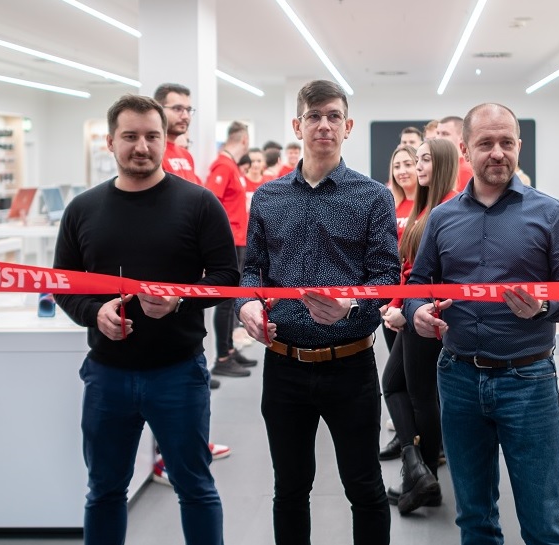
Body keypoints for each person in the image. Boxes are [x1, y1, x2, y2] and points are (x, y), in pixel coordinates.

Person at [54, 94, 239, 545]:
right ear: (110, 142)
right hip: (107, 375)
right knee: (104, 491)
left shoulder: (198, 204)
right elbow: (64, 283)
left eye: (152, 136)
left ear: (165, 139)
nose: (142, 146)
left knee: (194, 487)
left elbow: (226, 278)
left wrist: (180, 301)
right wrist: (94, 312)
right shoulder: (82, 209)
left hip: (178, 372)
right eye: (131, 136)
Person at [404, 103, 559, 545]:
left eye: (507, 142)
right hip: (459, 377)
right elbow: (418, 282)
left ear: (519, 146)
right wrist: (417, 312)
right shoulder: (444, 218)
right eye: (485, 143)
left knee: (544, 523)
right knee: (475, 520)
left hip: (528, 380)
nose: (497, 152)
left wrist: (543, 308)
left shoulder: (551, 213)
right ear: (466, 149)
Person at [237, 80, 399, 545]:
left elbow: (387, 277)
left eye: (333, 116)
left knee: (364, 487)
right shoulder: (268, 198)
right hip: (285, 364)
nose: (323, 124)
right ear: (298, 125)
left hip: (350, 365)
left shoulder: (372, 197)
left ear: (347, 127)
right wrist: (247, 301)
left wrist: (352, 302)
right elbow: (254, 270)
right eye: (314, 116)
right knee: (289, 489)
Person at [378, 138, 459, 515]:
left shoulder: (447, 208)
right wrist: (397, 306)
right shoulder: (425, 207)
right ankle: (420, 473)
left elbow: (427, 274)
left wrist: (402, 309)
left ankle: (422, 475)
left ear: (441, 164)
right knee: (408, 389)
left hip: (429, 316)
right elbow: (410, 269)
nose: (417, 165)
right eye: (416, 159)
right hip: (413, 311)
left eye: (425, 160)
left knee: (412, 390)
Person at [205, 121, 255, 378]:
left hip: (240, 239)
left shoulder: (232, 167)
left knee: (233, 297)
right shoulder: (223, 166)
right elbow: (209, 201)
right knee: (225, 301)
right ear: (244, 141)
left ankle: (230, 349)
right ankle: (222, 356)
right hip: (230, 241)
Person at [380, 145, 417, 353]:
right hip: (389, 300)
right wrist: (387, 301)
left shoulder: (427, 206)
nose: (401, 171)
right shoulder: (390, 205)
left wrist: (398, 303)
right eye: (396, 166)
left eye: (407, 164)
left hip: (411, 301)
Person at [154, 83, 202, 184]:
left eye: (188, 110)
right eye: (178, 109)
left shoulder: (186, 155)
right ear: (158, 110)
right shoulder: (153, 153)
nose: (185, 116)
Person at [435, 115, 474, 191]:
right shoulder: (444, 166)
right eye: (437, 133)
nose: (438, 138)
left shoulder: (465, 170)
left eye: (445, 134)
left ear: (461, 137)